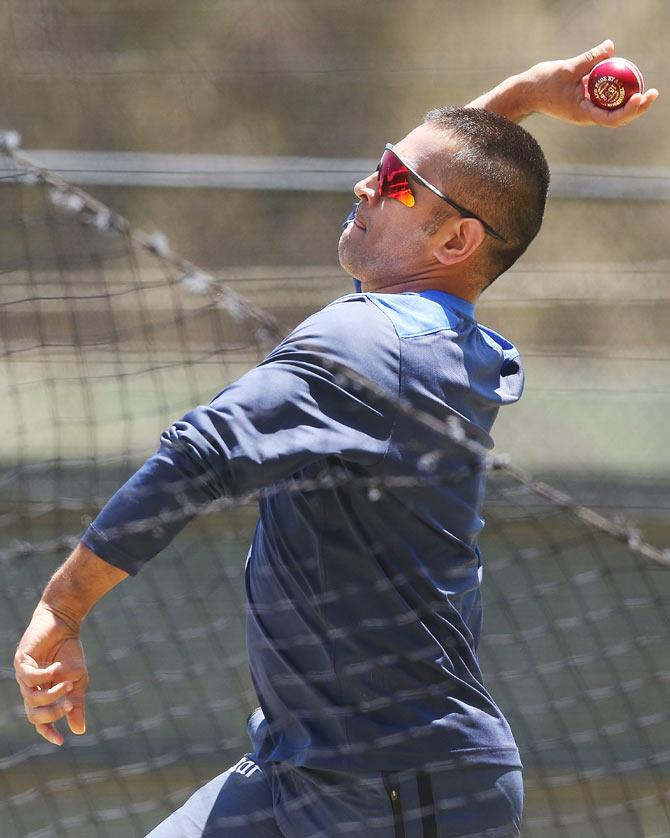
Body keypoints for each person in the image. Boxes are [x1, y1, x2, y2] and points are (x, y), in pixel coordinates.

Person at [14, 40, 657, 838]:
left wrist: (61, 609)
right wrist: (519, 98)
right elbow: (456, 199)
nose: (366, 182)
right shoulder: (415, 327)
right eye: (383, 163)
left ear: (453, 243)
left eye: (391, 182)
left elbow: (198, 455)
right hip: (298, 772)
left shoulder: (371, 344)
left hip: (404, 790)